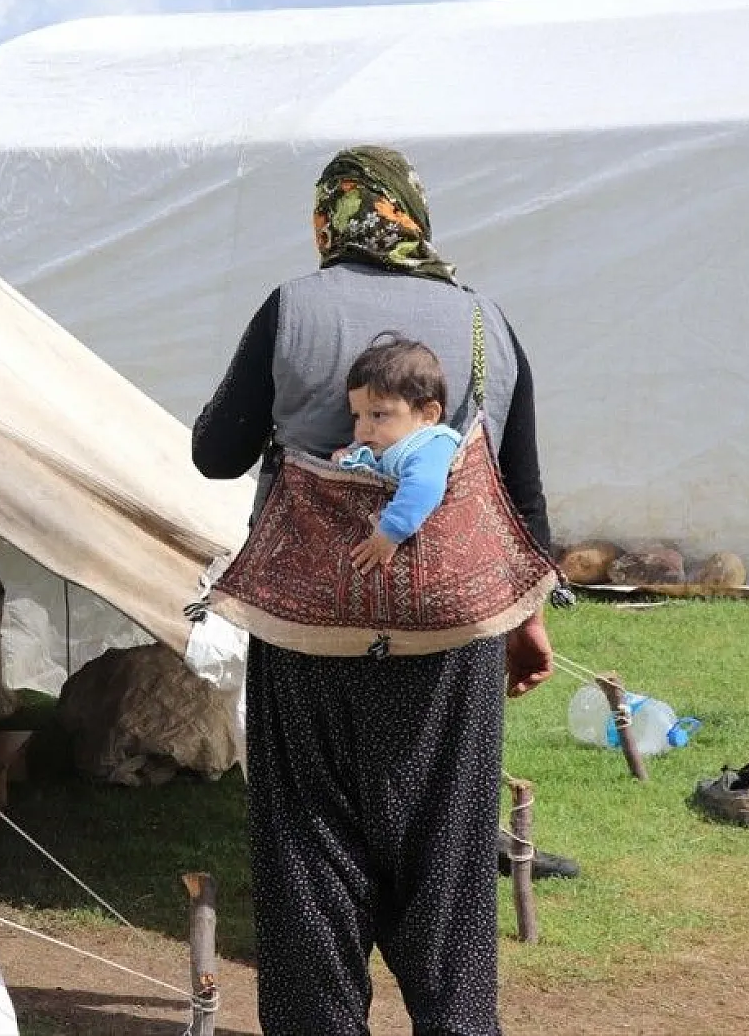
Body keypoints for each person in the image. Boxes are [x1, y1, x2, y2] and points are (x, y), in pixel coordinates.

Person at [192, 145, 555, 1035]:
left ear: (330, 219)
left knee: (309, 864)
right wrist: (528, 621)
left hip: (308, 641)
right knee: (449, 875)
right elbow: (523, 496)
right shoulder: (486, 325)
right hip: (451, 647)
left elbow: (215, 452)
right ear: (411, 216)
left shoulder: (291, 309)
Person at [328, 334, 463, 572]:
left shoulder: (431, 444)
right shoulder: (383, 442)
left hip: (418, 549)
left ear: (428, 415)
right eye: (357, 416)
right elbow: (364, 456)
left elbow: (425, 485)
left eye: (378, 415)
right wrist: (346, 456)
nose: (363, 428)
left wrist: (390, 532)